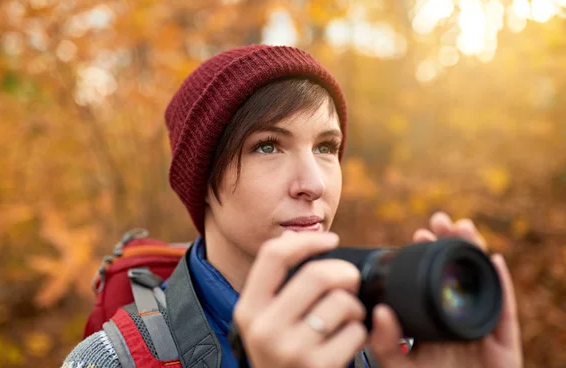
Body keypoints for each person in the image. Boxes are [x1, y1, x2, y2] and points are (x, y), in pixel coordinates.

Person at [61, 45, 523, 368]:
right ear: (202, 182)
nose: (314, 183)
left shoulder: (396, 336)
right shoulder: (111, 360)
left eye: (326, 147)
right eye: (267, 147)